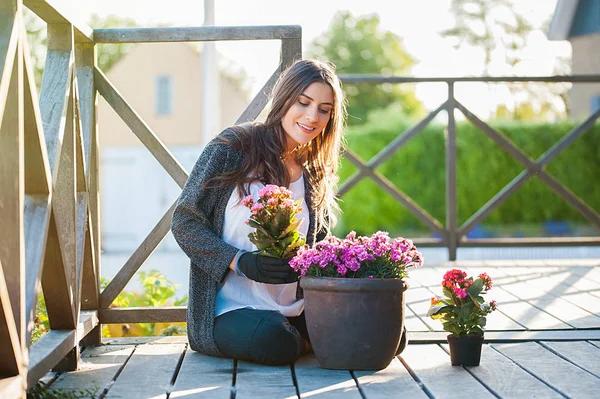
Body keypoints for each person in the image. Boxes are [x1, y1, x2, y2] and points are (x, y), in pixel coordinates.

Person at [172, 59, 406, 366]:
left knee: (386, 333)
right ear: (284, 99)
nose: (312, 117)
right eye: (304, 102)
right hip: (229, 310)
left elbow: (317, 246)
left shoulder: (312, 168)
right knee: (276, 341)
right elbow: (184, 221)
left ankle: (306, 338)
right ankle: (313, 341)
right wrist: (238, 261)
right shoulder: (232, 148)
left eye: (324, 109)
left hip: (294, 307)